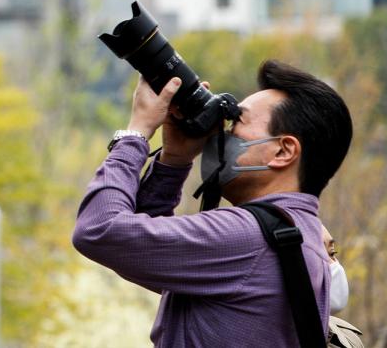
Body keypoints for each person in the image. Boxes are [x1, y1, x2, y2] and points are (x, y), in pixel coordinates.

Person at [72, 60, 353, 347]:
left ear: (283, 151)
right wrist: (174, 160)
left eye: (236, 122)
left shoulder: (248, 238)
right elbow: (144, 251)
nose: (222, 134)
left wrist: (137, 131)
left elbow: (98, 229)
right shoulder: (295, 234)